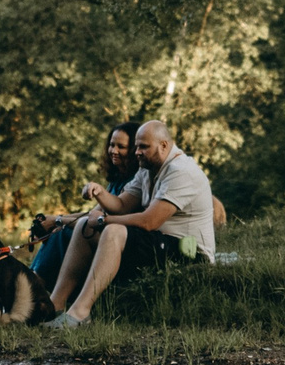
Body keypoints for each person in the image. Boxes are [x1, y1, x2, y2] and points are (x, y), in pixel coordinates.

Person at [41, 119, 216, 329]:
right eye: (137, 146)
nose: (137, 152)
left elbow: (149, 221)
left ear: (163, 146)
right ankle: (55, 305)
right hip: (161, 243)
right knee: (84, 226)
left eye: (143, 147)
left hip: (189, 251)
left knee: (113, 231)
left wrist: (104, 221)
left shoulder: (181, 172)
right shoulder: (148, 168)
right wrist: (99, 192)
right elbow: (122, 204)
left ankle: (80, 313)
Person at [30, 120, 141, 287]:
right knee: (58, 230)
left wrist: (58, 220)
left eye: (121, 147)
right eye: (111, 145)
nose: (114, 151)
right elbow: (90, 213)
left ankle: (36, 284)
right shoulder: (117, 179)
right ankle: (36, 279)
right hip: (98, 227)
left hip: (115, 236)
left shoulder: (135, 181)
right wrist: (54, 219)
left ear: (133, 150)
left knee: (61, 233)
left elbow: (99, 218)